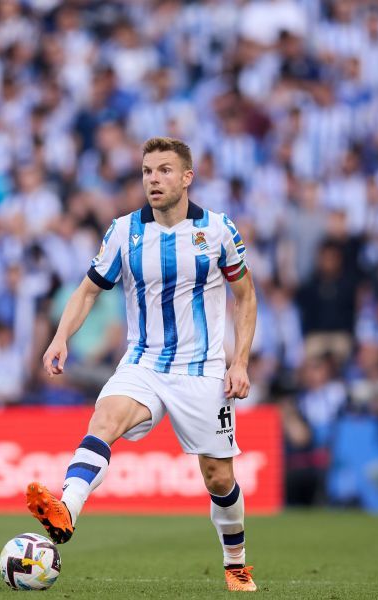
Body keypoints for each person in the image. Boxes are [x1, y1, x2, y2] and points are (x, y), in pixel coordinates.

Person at [29, 137, 258, 592]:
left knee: (219, 477)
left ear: (187, 177)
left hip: (203, 369)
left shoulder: (217, 230)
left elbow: (245, 296)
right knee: (105, 417)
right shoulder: (123, 231)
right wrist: (60, 337)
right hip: (144, 362)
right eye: (148, 171)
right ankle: (67, 509)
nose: (154, 179)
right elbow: (89, 289)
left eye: (165, 170)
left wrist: (241, 362)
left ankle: (236, 564)